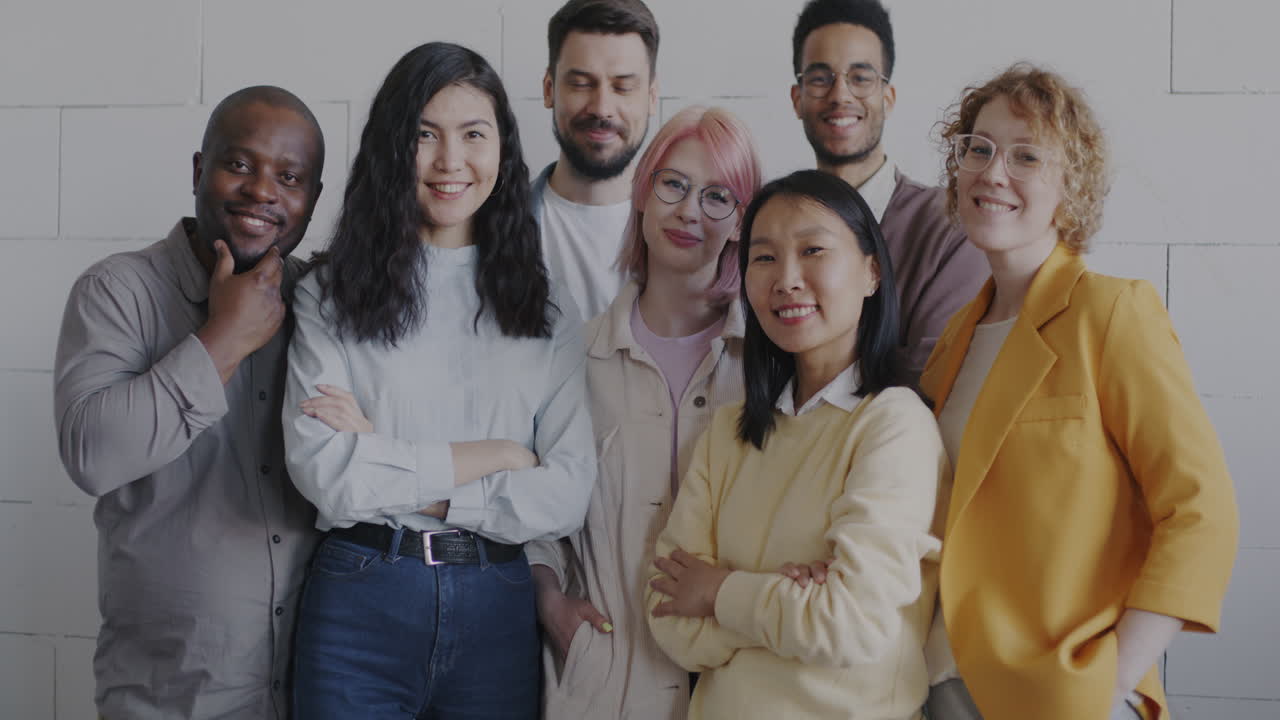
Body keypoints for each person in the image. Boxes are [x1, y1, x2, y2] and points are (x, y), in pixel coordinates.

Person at [281, 42, 595, 720]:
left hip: (497, 608)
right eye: (424, 136)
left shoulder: (547, 310)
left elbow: (566, 493)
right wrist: (499, 459)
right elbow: (325, 472)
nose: (450, 162)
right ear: (393, 149)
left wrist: (395, 461)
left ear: (503, 152)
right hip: (360, 604)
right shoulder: (329, 295)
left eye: (473, 135)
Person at [921, 64, 1239, 720]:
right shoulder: (955, 337)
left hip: (1060, 696)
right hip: (942, 687)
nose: (992, 171)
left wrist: (1107, 682)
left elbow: (1201, 512)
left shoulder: (1111, 312)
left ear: (1072, 186)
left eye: (1027, 155)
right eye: (977, 147)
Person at [53, 86, 325, 719]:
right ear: (200, 170)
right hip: (170, 697)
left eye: (290, 177)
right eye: (240, 164)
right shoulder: (118, 291)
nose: (263, 191)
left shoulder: (319, 300)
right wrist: (222, 339)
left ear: (311, 198)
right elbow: (91, 455)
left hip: (312, 687)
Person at [645, 170, 947, 719]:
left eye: (813, 250)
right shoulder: (729, 432)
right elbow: (672, 620)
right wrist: (788, 602)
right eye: (763, 258)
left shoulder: (893, 425)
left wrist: (720, 592)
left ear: (871, 272)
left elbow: (849, 625)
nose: (786, 279)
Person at [529, 106, 762, 719]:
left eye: (719, 197)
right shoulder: (572, 357)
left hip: (739, 688)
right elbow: (533, 513)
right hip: (605, 688)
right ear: (642, 192)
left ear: (741, 221)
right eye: (674, 184)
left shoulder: (770, 366)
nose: (690, 211)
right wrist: (549, 602)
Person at [790, 0, 987, 377]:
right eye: (820, 78)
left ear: (888, 97)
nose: (840, 95)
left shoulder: (949, 227)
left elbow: (931, 381)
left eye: (861, 77)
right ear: (797, 99)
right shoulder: (773, 229)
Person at [533, 0, 660, 317]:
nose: (602, 107)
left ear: (651, 97)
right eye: (581, 84)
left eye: (623, 87)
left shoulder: (697, 237)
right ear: (549, 89)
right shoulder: (491, 231)